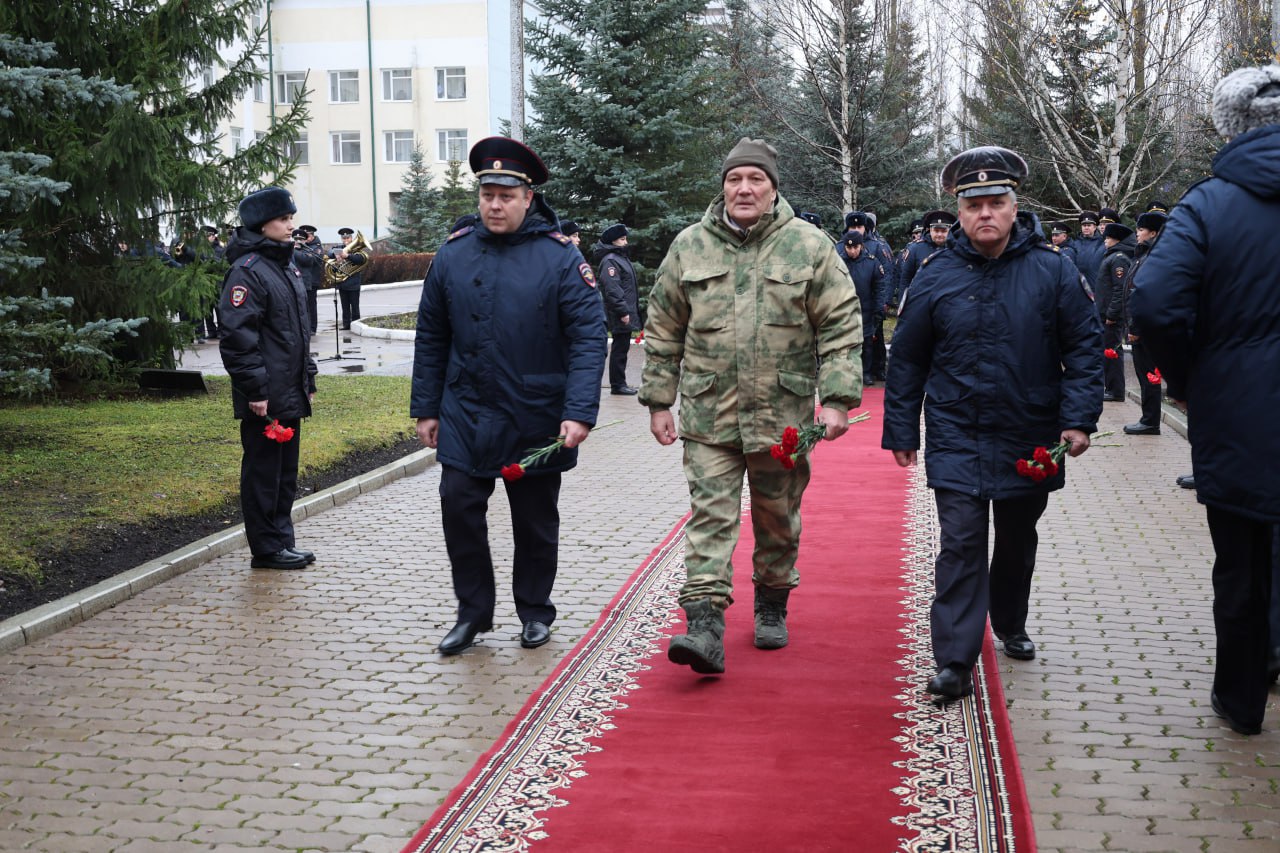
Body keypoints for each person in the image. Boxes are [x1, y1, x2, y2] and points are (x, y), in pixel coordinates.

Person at [882, 146, 1103, 700]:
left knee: (1017, 537)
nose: (985, 213)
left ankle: (1009, 621)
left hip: (1030, 431)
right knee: (960, 542)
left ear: (1014, 208)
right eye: (974, 203)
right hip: (957, 429)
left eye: (996, 202)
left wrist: (1078, 420)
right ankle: (955, 659)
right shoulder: (935, 275)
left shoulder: (1054, 271)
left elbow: (1083, 347)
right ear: (959, 212)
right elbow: (907, 357)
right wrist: (902, 429)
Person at [639, 137, 862, 674]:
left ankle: (771, 602)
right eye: (735, 179)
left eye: (755, 179)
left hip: (780, 418)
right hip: (708, 414)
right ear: (722, 186)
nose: (744, 188)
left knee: (777, 519)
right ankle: (704, 627)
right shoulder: (689, 246)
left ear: (772, 188)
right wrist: (657, 400)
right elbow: (664, 328)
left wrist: (836, 399)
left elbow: (840, 324)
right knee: (710, 517)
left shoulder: (807, 246)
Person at [1128, 62, 1280, 736]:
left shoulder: (1209, 203)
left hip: (1240, 411)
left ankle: (1242, 699)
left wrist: (1190, 377)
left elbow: (1156, 300)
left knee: (1242, 563)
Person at [411, 136, 607, 655]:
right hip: (466, 412)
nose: (494, 205)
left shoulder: (561, 259)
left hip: (535, 414)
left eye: (505, 195)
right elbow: (431, 335)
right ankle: (473, 614)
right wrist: (426, 408)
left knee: (535, 522)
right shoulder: (453, 255)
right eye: (487, 194)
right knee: (458, 508)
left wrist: (580, 412)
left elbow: (589, 338)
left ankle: (535, 612)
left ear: (528, 197)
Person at [218, 187, 318, 571]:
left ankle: (282, 540)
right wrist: (255, 389)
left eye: (291, 218)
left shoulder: (286, 265)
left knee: (285, 473)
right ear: (263, 225)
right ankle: (266, 547)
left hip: (288, 388)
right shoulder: (248, 272)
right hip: (265, 393)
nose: (292, 225)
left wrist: (307, 377)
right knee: (263, 473)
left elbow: (297, 332)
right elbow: (239, 338)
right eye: (284, 219)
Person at [1122, 210, 1167, 438]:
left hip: (1145, 330)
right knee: (1144, 375)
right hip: (1140, 327)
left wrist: (1136, 328)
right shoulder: (1142, 256)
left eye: (1141, 229)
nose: (1137, 234)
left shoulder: (1153, 257)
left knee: (1149, 375)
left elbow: (1145, 295)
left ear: (1154, 232)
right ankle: (1147, 418)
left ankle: (1151, 421)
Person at [594, 223, 640, 395]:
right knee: (619, 350)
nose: (626, 242)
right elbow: (612, 289)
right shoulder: (611, 261)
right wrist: (623, 311)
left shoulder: (620, 258)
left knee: (622, 348)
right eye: (622, 239)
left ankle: (620, 383)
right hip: (620, 313)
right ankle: (617, 385)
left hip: (624, 311)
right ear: (613, 241)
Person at [838, 230, 885, 384]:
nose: (852, 251)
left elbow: (879, 288)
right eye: (848, 248)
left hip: (866, 309)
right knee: (846, 344)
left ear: (861, 246)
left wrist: (878, 309)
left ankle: (866, 372)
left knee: (867, 344)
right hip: (844, 310)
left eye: (855, 247)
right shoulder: (838, 262)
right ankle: (848, 373)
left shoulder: (872, 263)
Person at [1097, 220, 1135, 404]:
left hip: (1111, 317)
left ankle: (1116, 390)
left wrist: (1112, 314)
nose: (1105, 240)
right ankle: (1111, 387)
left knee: (1113, 352)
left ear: (1116, 240)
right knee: (1108, 352)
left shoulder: (1118, 258)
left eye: (1109, 237)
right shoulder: (1112, 256)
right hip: (1105, 314)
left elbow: (1120, 289)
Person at [331, 227, 367, 329]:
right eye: (344, 238)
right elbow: (329, 254)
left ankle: (356, 326)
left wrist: (347, 256)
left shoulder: (357, 249)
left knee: (355, 307)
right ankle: (346, 325)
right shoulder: (339, 248)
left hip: (354, 283)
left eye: (348, 238)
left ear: (351, 238)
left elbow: (360, 259)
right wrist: (336, 257)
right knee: (344, 307)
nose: (346, 240)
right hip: (343, 284)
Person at [293, 225, 325, 335]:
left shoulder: (314, 247)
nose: (298, 241)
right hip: (298, 281)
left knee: (311, 306)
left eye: (302, 238)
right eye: (296, 239)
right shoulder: (296, 248)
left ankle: (312, 327)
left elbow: (309, 259)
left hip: (311, 281)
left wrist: (293, 251)